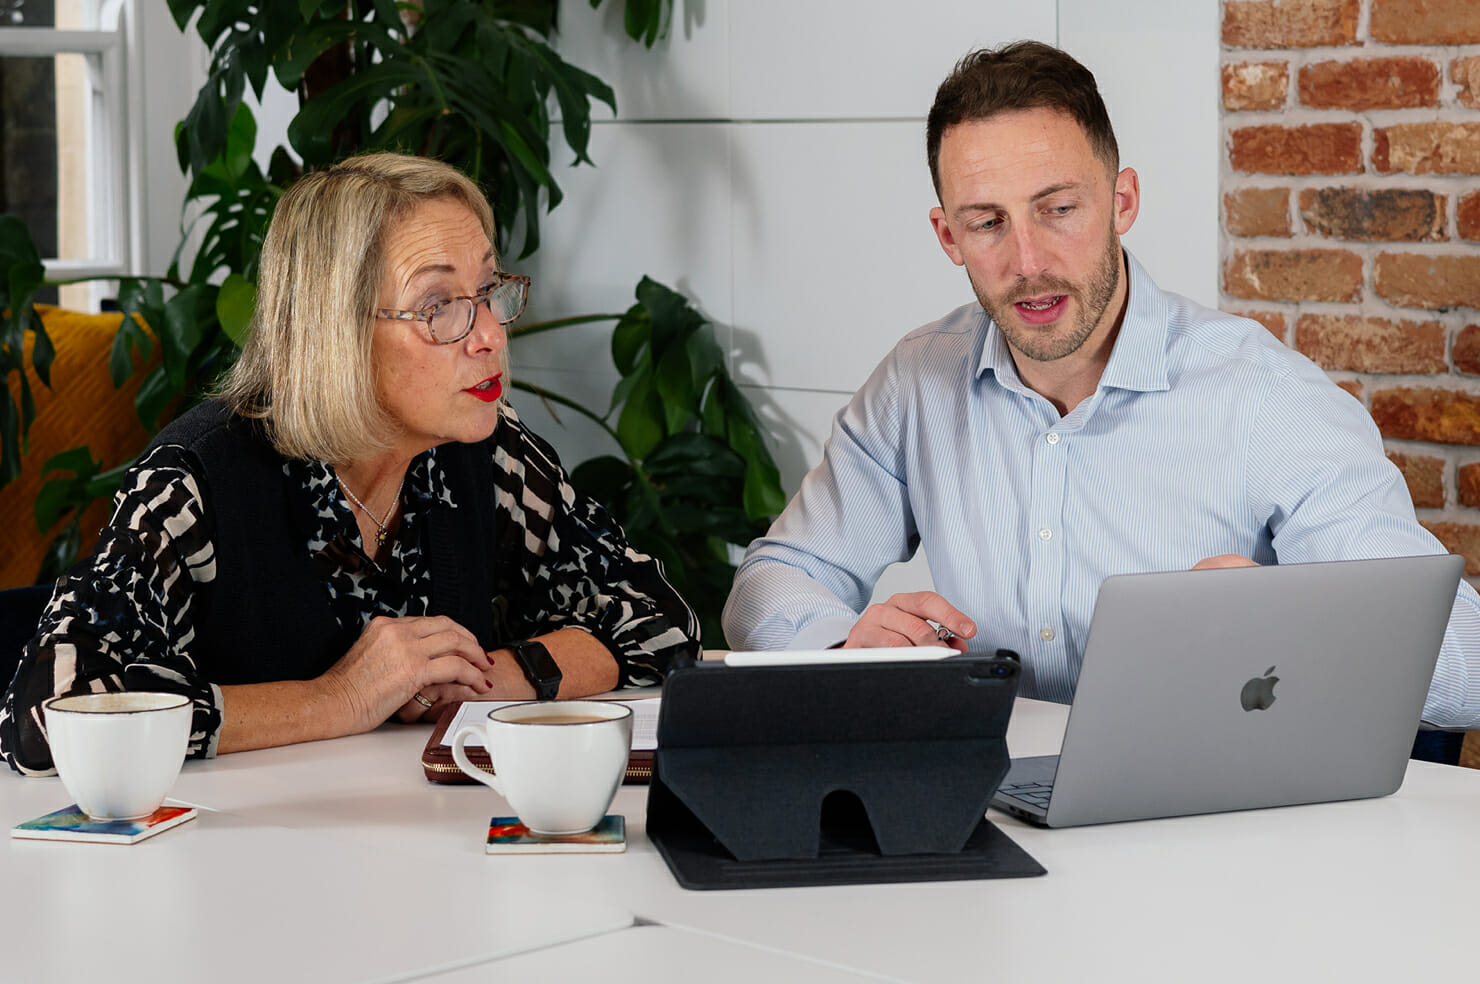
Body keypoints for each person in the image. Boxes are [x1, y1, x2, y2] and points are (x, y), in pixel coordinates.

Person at [722, 41, 1480, 729]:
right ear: (947, 235)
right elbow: (776, 576)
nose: (1028, 261)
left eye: (1059, 209)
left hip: (1206, 821)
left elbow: (1460, 661)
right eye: (987, 222)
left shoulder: (1264, 397)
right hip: (992, 809)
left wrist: (1292, 626)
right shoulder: (918, 381)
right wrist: (840, 642)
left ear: (1122, 202)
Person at [1, 153, 700, 775]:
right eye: (438, 306)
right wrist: (341, 697)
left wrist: (492, 678)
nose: (489, 334)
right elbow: (49, 714)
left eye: (488, 291)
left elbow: (659, 618)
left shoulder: (488, 454)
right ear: (336, 331)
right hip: (229, 877)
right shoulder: (197, 483)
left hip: (420, 857)